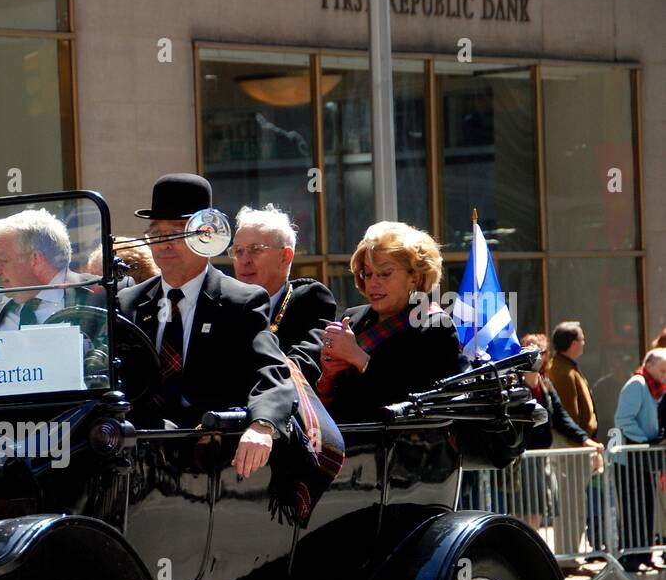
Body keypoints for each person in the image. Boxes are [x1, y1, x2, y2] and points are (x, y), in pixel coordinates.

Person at [118, 173, 295, 477]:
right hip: (142, 459)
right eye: (155, 234)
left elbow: (270, 371)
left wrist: (262, 425)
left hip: (212, 458)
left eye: (175, 233)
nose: (163, 245)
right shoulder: (129, 302)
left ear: (207, 235)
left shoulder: (241, 301)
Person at [316, 221, 462, 422]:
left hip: (399, 449)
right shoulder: (353, 319)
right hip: (343, 445)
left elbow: (418, 403)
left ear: (415, 277)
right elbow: (329, 404)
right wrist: (328, 376)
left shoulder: (436, 327)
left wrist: (359, 358)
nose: (373, 283)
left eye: (385, 273)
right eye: (367, 274)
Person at [231, 204, 336, 386]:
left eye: (255, 249)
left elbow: (304, 363)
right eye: (238, 251)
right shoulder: (225, 302)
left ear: (285, 257)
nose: (244, 260)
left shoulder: (310, 299)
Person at [512, 334, 602, 541]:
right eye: (531, 353)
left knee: (538, 510)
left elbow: (561, 417)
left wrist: (584, 439)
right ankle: (522, 552)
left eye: (541, 353)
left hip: (541, 457)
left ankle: (528, 551)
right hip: (521, 459)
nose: (538, 358)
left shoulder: (546, 386)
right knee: (524, 511)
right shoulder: (515, 387)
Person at [548, 321, 604, 559]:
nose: (584, 342)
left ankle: (572, 556)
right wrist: (583, 441)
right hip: (572, 448)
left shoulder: (567, 368)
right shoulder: (562, 371)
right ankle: (568, 558)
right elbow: (567, 415)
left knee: (577, 506)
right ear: (572, 343)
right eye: (581, 338)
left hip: (579, 446)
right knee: (571, 508)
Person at [612, 348, 666, 570]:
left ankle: (643, 555)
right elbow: (623, 419)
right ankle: (633, 557)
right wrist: (648, 440)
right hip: (629, 457)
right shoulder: (638, 384)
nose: (664, 374)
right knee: (634, 508)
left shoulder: (654, 387)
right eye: (662, 369)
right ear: (650, 364)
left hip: (643, 457)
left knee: (645, 507)